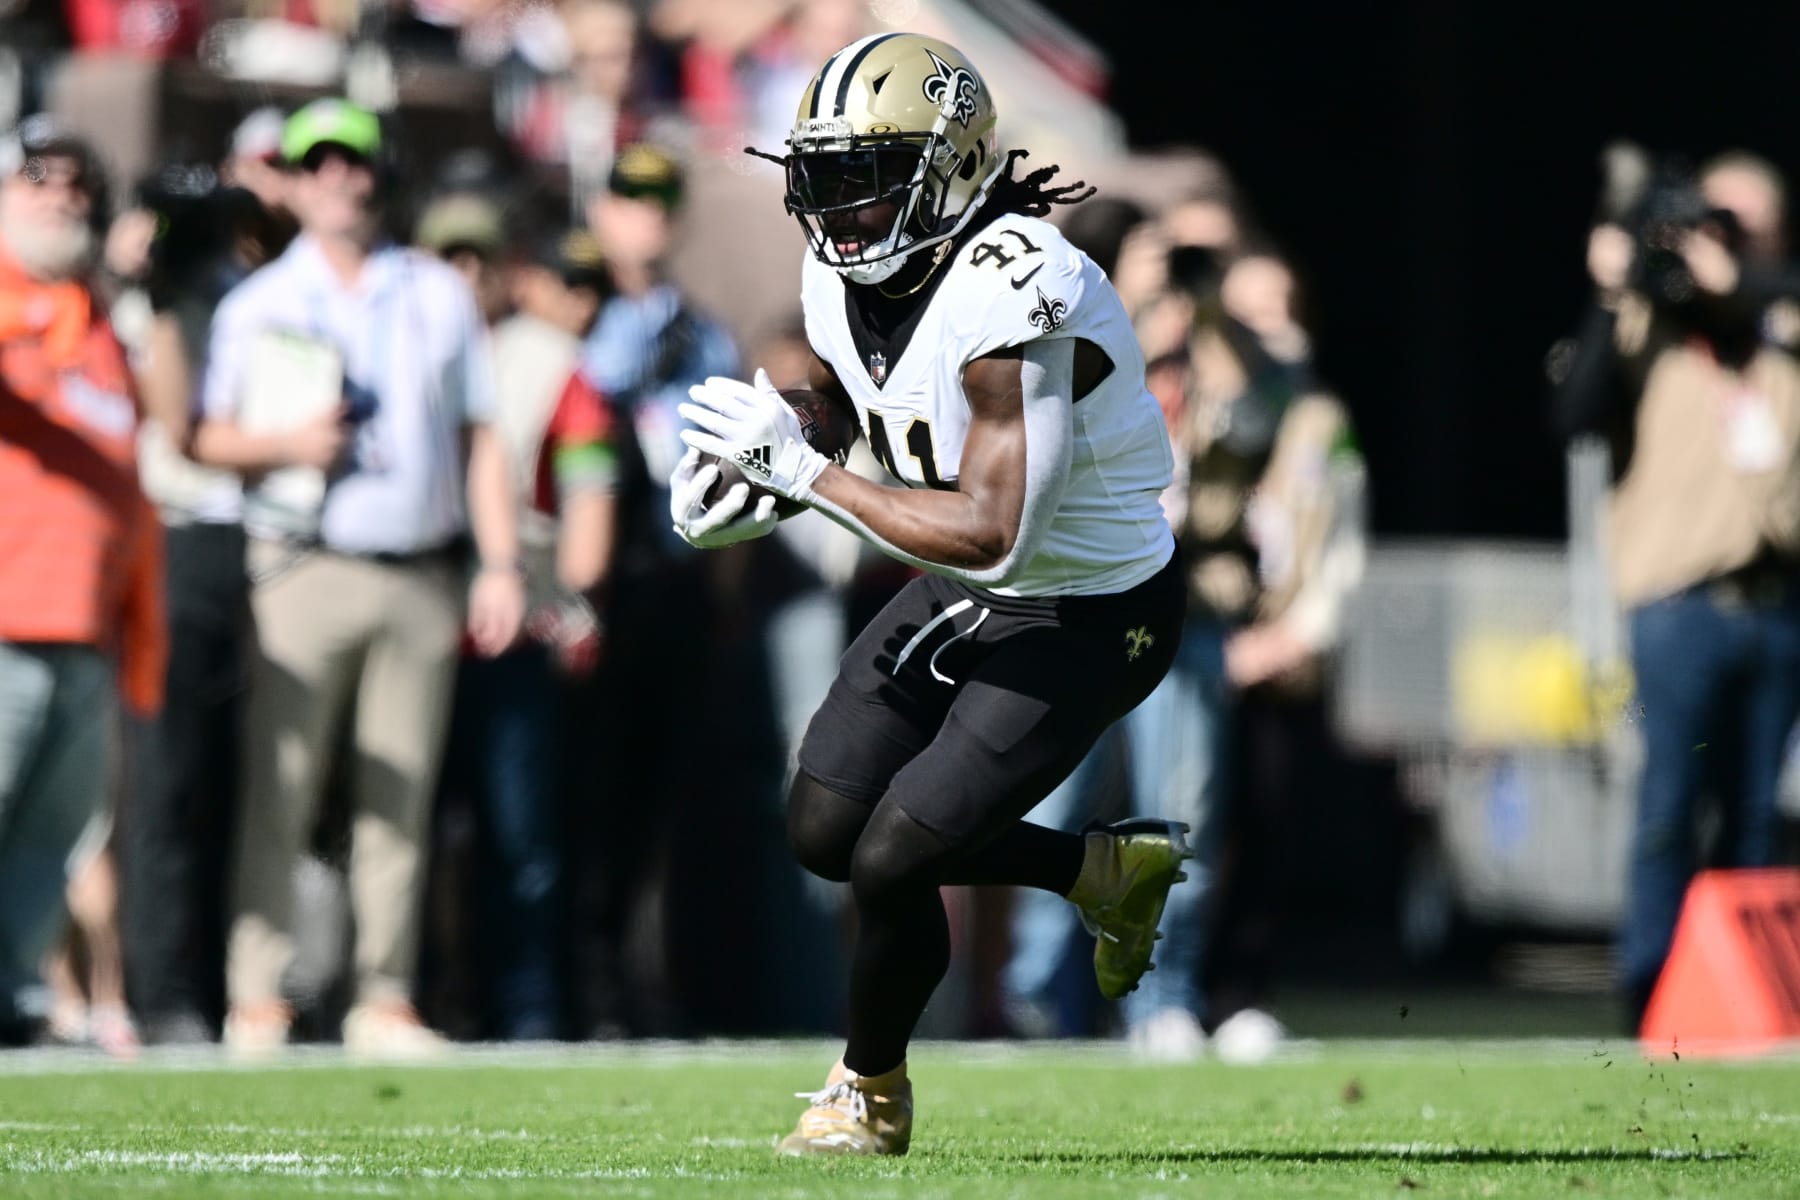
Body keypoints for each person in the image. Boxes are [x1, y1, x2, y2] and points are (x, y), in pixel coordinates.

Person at [672, 33, 1189, 1155]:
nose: (838, 202)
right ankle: (1099, 868)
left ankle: (868, 1091)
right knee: (823, 825)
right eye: (823, 173)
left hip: (1094, 608)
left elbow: (999, 535)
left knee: (895, 854)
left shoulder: (1019, 280)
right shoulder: (835, 271)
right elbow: (863, 409)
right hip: (966, 580)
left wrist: (803, 478)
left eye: (867, 171)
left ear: (950, 167)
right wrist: (770, 448)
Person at [194, 98, 526, 1060]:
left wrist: (498, 562)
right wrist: (287, 444)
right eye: (321, 161)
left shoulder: (434, 289)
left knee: (403, 798)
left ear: (380, 173)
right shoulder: (258, 302)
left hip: (417, 568)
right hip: (303, 564)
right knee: (281, 786)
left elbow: (479, 439)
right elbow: (205, 437)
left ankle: (382, 996)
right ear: (293, 182)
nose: (341, 175)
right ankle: (257, 994)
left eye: (356, 159)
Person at [1551, 148, 1800, 1031]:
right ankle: (1651, 996)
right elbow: (1573, 417)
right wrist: (1613, 288)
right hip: (1678, 603)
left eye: (1731, 223)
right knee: (1667, 806)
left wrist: (1742, 283)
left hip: (1774, 601)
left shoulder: (1780, 326)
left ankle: (1753, 1002)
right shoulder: (1649, 327)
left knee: (1757, 818)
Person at [0, 115, 166, 1045]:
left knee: (51, 842)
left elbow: (140, 466)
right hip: (4, 612)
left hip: (86, 625)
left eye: (78, 184)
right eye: (37, 179)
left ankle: (11, 991)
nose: (62, 195)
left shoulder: (98, 323)